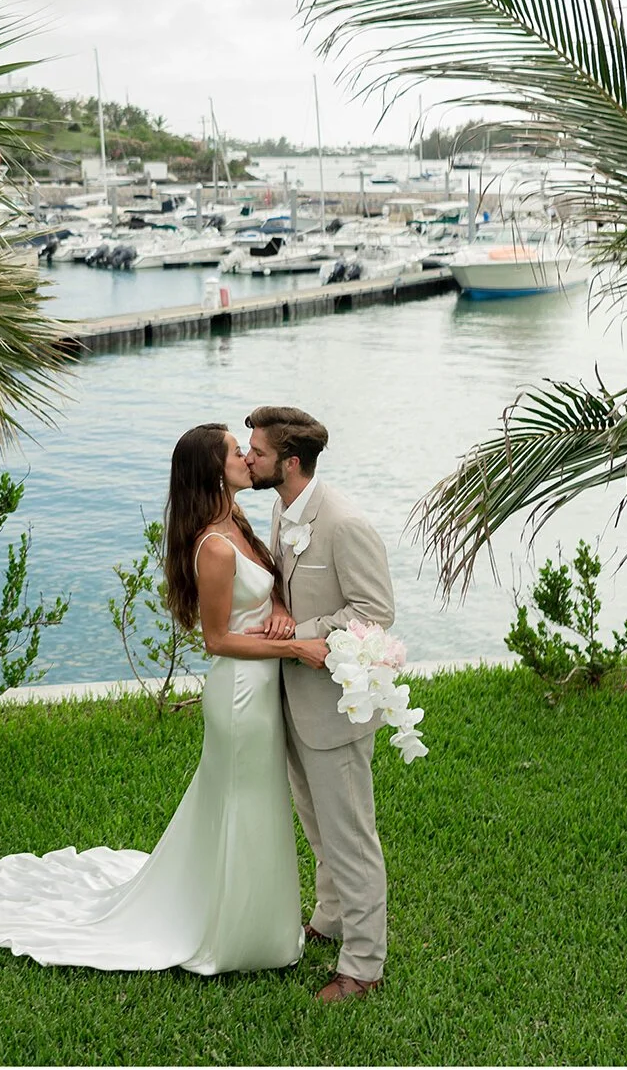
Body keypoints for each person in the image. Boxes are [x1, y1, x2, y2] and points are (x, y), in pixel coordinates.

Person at [0, 423, 316, 974]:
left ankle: (261, 924)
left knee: (257, 806)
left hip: (258, 690)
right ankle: (234, 938)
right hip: (239, 694)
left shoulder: (235, 521)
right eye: (235, 451)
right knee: (242, 805)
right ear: (215, 471)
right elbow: (215, 640)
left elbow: (263, 590)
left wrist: (281, 612)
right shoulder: (212, 546)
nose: (245, 455)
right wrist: (297, 649)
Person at [244, 404, 396, 1002]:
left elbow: (376, 616)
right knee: (317, 827)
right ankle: (330, 917)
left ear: (291, 462)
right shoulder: (284, 511)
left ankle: (363, 964)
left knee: (351, 836)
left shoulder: (345, 524)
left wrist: (303, 634)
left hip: (335, 708)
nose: (247, 459)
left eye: (256, 452)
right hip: (292, 701)